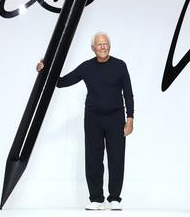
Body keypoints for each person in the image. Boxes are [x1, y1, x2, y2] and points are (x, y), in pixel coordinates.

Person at [36, 32, 134, 211]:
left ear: (109, 46)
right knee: (93, 158)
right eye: (99, 44)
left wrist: (130, 119)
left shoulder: (120, 66)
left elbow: (128, 93)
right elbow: (61, 82)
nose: (103, 47)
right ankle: (96, 198)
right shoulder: (87, 67)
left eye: (106, 44)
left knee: (117, 159)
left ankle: (114, 199)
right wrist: (45, 70)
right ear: (93, 48)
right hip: (93, 119)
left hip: (116, 118)